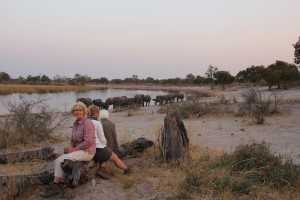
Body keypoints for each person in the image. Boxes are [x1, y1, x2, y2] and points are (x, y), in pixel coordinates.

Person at [39, 102, 96, 198]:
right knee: (62, 159)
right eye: (75, 110)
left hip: (87, 152)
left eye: (80, 110)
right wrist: (70, 148)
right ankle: (62, 183)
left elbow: (88, 141)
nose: (77, 112)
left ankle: (55, 185)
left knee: (59, 160)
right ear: (73, 112)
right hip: (79, 150)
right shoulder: (76, 123)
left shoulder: (88, 123)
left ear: (84, 111)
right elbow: (73, 140)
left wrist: (74, 149)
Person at [88, 105, 131, 179]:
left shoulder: (84, 121)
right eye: (98, 113)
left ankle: (102, 169)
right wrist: (104, 145)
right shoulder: (97, 123)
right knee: (115, 157)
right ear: (95, 113)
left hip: (88, 148)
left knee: (106, 154)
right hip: (97, 148)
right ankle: (127, 170)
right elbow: (102, 139)